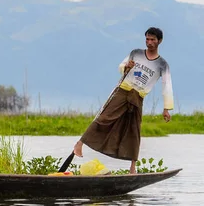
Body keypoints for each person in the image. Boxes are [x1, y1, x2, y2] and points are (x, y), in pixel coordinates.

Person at [72, 27, 174, 174]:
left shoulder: (162, 65)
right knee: (104, 118)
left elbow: (167, 85)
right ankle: (79, 144)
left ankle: (132, 168)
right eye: (147, 39)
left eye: (153, 40)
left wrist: (166, 109)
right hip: (123, 90)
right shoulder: (136, 53)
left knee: (134, 130)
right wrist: (127, 66)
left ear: (160, 41)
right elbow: (121, 66)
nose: (149, 42)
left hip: (137, 96)